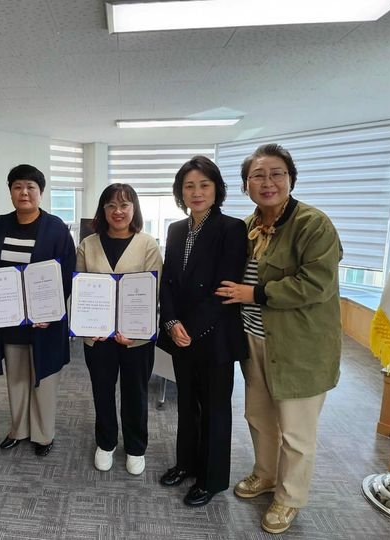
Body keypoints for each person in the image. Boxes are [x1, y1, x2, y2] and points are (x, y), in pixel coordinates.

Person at [215, 143, 342, 534]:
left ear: (290, 179)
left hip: (299, 346)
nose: (267, 182)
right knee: (258, 416)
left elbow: (316, 284)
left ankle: (289, 498)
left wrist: (254, 294)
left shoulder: (313, 225)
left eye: (276, 174)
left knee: (296, 430)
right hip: (253, 339)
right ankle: (266, 474)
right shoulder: (247, 227)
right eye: (258, 175)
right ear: (246, 185)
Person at [156, 155, 247, 507]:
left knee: (214, 410)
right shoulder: (177, 229)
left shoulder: (231, 229)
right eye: (189, 186)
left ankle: (211, 479)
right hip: (181, 334)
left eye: (204, 185)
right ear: (180, 192)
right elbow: (168, 281)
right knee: (187, 405)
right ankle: (186, 463)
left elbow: (226, 288)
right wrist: (171, 322)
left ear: (216, 189)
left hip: (214, 335)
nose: (196, 192)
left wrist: (190, 327)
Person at [0, 164, 75, 457]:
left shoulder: (56, 228)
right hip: (10, 319)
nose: (24, 192)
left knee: (44, 379)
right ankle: (18, 429)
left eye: (31, 187)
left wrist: (51, 312)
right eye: (17, 186)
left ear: (40, 192)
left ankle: (44, 434)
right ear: (10, 192)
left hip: (45, 322)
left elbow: (67, 275)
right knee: (17, 376)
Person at [76, 184, 162, 474]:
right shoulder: (88, 245)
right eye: (111, 205)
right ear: (102, 210)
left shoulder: (147, 244)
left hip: (136, 339)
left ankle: (136, 447)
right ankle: (106, 442)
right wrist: (88, 324)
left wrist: (134, 333)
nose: (118, 211)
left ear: (134, 209)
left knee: (135, 393)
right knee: (102, 391)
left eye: (124, 205)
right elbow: (80, 289)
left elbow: (153, 293)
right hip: (97, 337)